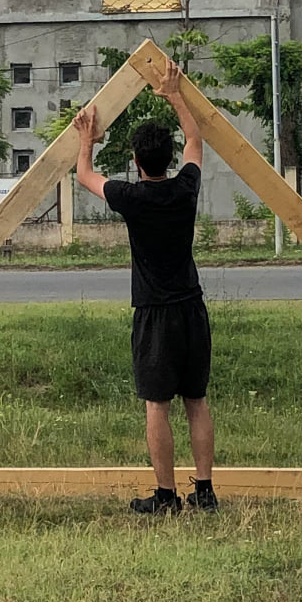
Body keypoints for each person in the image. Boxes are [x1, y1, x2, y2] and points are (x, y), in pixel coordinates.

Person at [73, 61, 217, 515]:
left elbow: (83, 175)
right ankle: (206, 492)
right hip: (192, 309)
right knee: (196, 400)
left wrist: (87, 141)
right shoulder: (186, 189)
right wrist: (174, 93)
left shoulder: (131, 198)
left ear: (136, 163)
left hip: (154, 314)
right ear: (170, 159)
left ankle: (166, 496)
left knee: (157, 404)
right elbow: (196, 139)